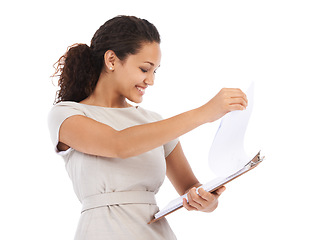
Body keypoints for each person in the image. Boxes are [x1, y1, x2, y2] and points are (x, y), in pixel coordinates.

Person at [48, 15, 248, 240]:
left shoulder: (154, 122)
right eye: (145, 69)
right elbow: (119, 144)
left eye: (155, 71)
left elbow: (191, 187)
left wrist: (207, 201)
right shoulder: (66, 114)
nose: (150, 80)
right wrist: (204, 113)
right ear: (112, 60)